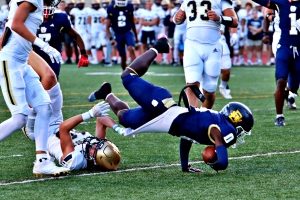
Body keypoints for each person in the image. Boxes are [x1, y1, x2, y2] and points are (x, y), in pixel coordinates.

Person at [88, 37, 254, 172]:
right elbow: (223, 162)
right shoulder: (224, 129)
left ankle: (107, 94)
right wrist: (216, 162)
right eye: (242, 129)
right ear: (235, 121)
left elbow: (187, 136)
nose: (240, 134)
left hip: (163, 118)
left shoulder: (212, 125)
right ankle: (157, 47)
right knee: (127, 76)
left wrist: (184, 165)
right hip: (161, 106)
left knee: (124, 118)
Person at [0, 0, 69, 177]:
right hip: (11, 61)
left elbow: (8, 29)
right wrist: (43, 45)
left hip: (21, 62)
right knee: (20, 118)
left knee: (45, 108)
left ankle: (42, 161)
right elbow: (16, 25)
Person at [23, 51, 121, 171]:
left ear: (96, 159)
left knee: (32, 87)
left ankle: (14, 50)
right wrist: (118, 129)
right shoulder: (94, 151)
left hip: (40, 129)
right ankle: (22, 45)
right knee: (50, 77)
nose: (96, 143)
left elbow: (63, 128)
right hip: (56, 120)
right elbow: (101, 120)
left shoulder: (76, 161)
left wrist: (90, 114)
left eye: (97, 147)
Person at [173, 0, 238, 110]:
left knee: (209, 89)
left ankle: (204, 114)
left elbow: (235, 21)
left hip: (212, 47)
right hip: (192, 45)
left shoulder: (220, 1)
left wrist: (220, 18)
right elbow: (179, 18)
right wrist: (176, 19)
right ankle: (195, 119)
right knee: (191, 86)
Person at [252, 0, 300, 126]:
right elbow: (265, 9)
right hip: (283, 46)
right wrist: (265, 32)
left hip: (299, 49)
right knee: (280, 81)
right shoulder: (279, 3)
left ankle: (290, 94)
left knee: (294, 86)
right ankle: (279, 116)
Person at [34, 0, 89, 79]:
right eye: (43, 4)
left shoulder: (60, 18)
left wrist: (83, 54)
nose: (45, 7)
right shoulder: (30, 18)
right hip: (35, 58)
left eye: (47, 4)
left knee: (51, 81)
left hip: (53, 58)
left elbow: (76, 35)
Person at [106, 0, 138, 70]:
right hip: (118, 34)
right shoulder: (111, 9)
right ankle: (126, 73)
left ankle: (136, 69)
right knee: (123, 56)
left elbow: (132, 22)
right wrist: (111, 38)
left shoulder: (129, 7)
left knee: (131, 48)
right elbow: (107, 26)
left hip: (128, 32)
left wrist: (136, 36)